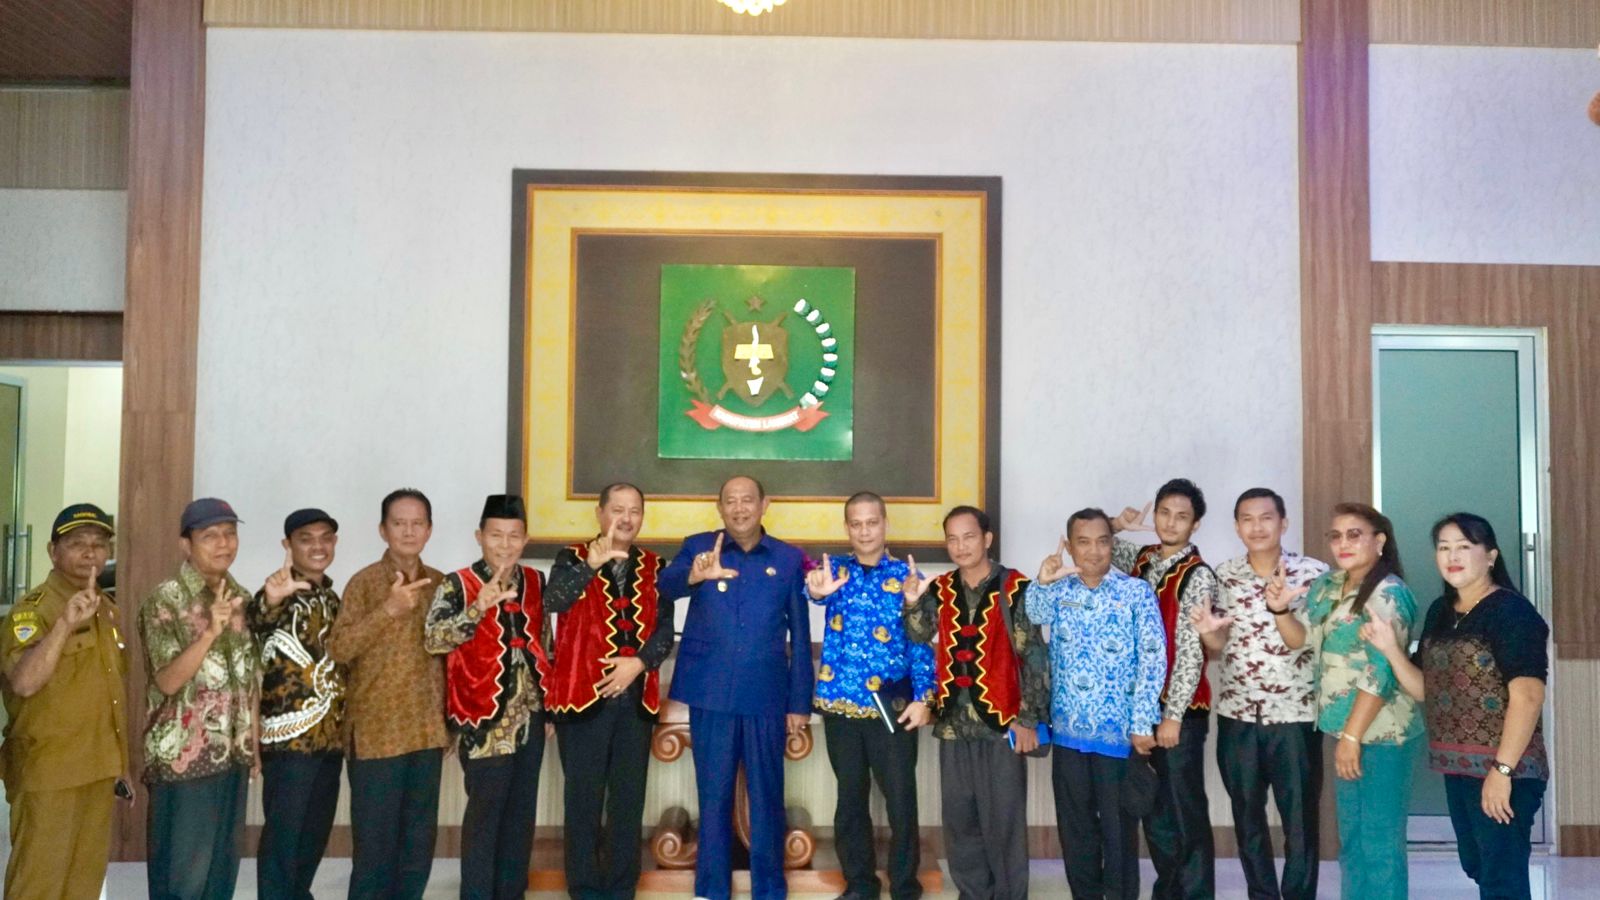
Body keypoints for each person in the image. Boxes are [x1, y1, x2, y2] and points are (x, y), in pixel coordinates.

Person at [1361, 512, 1549, 900]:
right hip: (1458, 766)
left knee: (1501, 875)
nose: (1452, 556)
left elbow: (1529, 696)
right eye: (1444, 547)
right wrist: (1390, 649)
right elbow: (1424, 689)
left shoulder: (1512, 612)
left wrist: (1502, 771)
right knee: (1478, 865)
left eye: (1464, 546)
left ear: (1491, 556)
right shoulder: (1441, 611)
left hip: (1506, 767)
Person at [657, 476, 812, 900]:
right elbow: (665, 586)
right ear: (719, 507)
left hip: (766, 695)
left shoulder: (788, 558)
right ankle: (711, 889)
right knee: (714, 796)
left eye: (747, 500)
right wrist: (694, 574)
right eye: (731, 501)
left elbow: (801, 637)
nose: (739, 508)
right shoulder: (699, 547)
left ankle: (769, 888)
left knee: (767, 796)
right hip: (711, 693)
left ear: (765, 504)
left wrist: (799, 702)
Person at [1268, 503, 1420, 900]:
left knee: (1380, 841)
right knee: (1351, 841)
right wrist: (1280, 609)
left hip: (1383, 734)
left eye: (1354, 534)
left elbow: (1381, 670)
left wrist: (1352, 738)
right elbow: (1301, 640)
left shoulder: (1389, 593)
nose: (1343, 544)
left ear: (1379, 541)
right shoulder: (1328, 585)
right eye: (1336, 536)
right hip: (1343, 730)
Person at [901, 505, 1048, 900]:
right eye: (952, 538)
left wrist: (1028, 719)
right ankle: (973, 893)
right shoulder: (942, 588)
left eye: (969, 537)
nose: (960, 546)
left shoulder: (1015, 587)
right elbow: (919, 634)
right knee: (960, 821)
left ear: (987, 539)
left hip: (1002, 725)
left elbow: (1035, 656)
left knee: (1004, 822)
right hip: (952, 725)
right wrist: (912, 600)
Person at [1188, 488, 1327, 900]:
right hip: (1238, 715)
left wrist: (1281, 609)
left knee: (1299, 820)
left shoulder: (1314, 574)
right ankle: (1261, 894)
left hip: (1296, 716)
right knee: (1247, 819)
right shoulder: (1224, 575)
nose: (1257, 527)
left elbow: (1310, 640)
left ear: (1284, 523)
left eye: (1266, 517)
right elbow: (1219, 645)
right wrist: (1208, 634)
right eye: (1247, 519)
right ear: (1236, 527)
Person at [544, 483, 675, 900]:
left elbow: (664, 631)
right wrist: (590, 566)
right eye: (617, 509)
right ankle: (584, 889)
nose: (626, 518)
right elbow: (553, 602)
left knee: (627, 803)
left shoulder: (656, 566)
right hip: (581, 702)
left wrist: (638, 664)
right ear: (600, 513)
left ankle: (621, 888)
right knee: (582, 804)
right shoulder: (571, 557)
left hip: (635, 704)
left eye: (634, 510)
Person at [1027, 508, 1165, 900]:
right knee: (1076, 830)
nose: (1093, 551)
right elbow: (1033, 612)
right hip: (1068, 733)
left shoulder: (1135, 592)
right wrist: (1043, 580)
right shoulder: (1060, 590)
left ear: (1112, 545)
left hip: (1117, 735)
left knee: (1119, 832)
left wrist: (1142, 723)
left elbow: (1153, 658)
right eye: (1083, 542)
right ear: (1070, 547)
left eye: (1102, 541)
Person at [807, 491, 935, 900]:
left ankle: (905, 886)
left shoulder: (906, 576)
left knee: (901, 801)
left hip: (892, 707)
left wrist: (925, 697)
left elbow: (921, 641)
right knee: (850, 801)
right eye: (856, 524)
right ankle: (860, 883)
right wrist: (817, 591)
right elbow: (813, 590)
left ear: (885, 524)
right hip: (841, 704)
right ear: (847, 528)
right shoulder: (834, 570)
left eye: (872, 522)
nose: (864, 531)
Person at [424, 494, 551, 900]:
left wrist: (548, 708)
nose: (505, 544)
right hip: (482, 716)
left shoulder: (535, 581)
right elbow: (434, 640)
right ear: (479, 536)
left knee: (521, 815)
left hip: (529, 715)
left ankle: (511, 893)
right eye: (496, 535)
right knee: (485, 815)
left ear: (525, 539)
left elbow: (544, 642)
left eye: (514, 536)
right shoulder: (457, 583)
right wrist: (477, 608)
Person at [0, 503, 128, 899]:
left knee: (83, 885)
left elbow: (110, 693)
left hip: (97, 768)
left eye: (99, 544)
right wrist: (64, 626)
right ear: (52, 551)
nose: (90, 553)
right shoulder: (31, 611)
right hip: (49, 772)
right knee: (38, 885)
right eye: (77, 543)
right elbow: (24, 683)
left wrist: (121, 765)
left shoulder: (108, 611)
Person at [326, 488, 445, 900]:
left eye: (417, 524)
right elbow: (339, 649)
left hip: (426, 732)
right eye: (399, 523)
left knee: (418, 846)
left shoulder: (441, 585)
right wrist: (387, 611)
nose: (408, 532)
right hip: (376, 735)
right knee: (374, 850)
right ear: (383, 530)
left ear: (429, 530)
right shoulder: (363, 583)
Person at [139, 498, 259, 900]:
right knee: (183, 879)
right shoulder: (165, 600)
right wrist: (209, 633)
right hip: (184, 759)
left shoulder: (241, 597)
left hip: (233, 755)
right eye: (210, 536)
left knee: (221, 875)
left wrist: (253, 743)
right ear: (185, 545)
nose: (224, 543)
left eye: (230, 533)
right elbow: (167, 680)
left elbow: (248, 680)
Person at [1108, 480, 1218, 899]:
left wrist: (1173, 716)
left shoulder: (1197, 576)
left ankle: (1195, 893)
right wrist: (1117, 523)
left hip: (1179, 715)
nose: (1171, 523)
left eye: (1182, 516)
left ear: (1196, 524)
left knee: (1184, 811)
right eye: (1164, 513)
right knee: (1155, 812)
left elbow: (1191, 651)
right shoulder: (1144, 558)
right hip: (1142, 711)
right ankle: (1169, 891)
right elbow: (1096, 545)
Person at [248, 507, 347, 900]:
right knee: (283, 840)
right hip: (289, 744)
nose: (318, 546)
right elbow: (257, 619)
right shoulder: (277, 592)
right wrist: (272, 598)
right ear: (287, 545)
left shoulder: (333, 599)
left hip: (330, 741)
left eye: (325, 538)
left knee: (313, 837)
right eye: (306, 539)